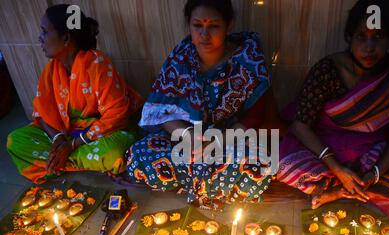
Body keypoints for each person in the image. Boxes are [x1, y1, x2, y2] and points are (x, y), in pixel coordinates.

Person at [277, 0, 389, 220]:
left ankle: (341, 190)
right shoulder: (329, 69)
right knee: (279, 160)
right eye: (361, 36)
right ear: (350, 37)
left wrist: (374, 174)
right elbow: (300, 127)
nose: (368, 47)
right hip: (324, 148)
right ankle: (345, 188)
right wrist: (337, 168)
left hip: (373, 150)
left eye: (378, 37)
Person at [126, 0, 282, 210]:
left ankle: (194, 182)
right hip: (187, 139)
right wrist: (187, 136)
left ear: (229, 25)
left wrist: (217, 141)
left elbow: (255, 119)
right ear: (189, 25)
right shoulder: (181, 57)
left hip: (231, 140)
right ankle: (209, 184)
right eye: (197, 25)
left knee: (260, 165)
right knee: (139, 156)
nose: (204, 34)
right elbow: (162, 111)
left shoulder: (247, 60)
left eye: (214, 26)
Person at [7, 4, 142, 184]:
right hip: (68, 134)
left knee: (115, 152)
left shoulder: (98, 65)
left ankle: (56, 163)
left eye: (45, 32)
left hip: (100, 135)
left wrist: (72, 145)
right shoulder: (51, 70)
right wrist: (58, 139)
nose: (40, 38)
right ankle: (79, 162)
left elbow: (117, 117)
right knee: (15, 141)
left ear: (65, 37)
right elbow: (41, 113)